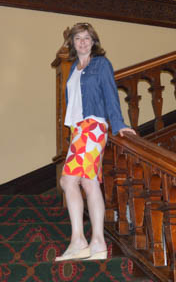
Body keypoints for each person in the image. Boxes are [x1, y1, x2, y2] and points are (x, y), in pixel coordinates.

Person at [56, 22, 136, 261]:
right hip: (79, 130)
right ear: (72, 43)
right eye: (78, 38)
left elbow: (111, 94)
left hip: (92, 126)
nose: (82, 42)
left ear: (93, 42)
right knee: (89, 183)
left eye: (87, 38)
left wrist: (118, 124)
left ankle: (79, 240)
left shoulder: (101, 64)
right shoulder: (73, 68)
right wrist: (72, 135)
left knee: (67, 180)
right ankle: (98, 243)